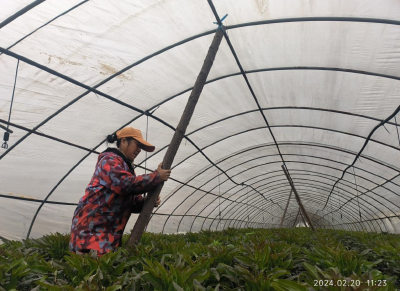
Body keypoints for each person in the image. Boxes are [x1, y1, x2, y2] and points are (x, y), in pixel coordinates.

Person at [69, 127, 171, 256]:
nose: (139, 150)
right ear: (123, 141)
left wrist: (145, 201)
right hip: (91, 235)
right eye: (137, 145)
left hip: (107, 237)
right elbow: (124, 184)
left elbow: (130, 201)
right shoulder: (109, 160)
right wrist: (156, 177)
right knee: (93, 273)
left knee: (104, 273)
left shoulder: (125, 167)